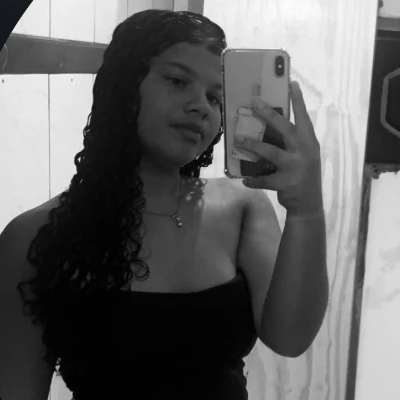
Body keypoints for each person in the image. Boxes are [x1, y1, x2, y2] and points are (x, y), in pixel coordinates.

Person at [0, 9, 329, 400]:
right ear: (124, 85)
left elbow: (290, 339)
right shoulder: (34, 236)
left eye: (215, 97)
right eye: (177, 80)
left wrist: (306, 210)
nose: (201, 106)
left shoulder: (242, 208)